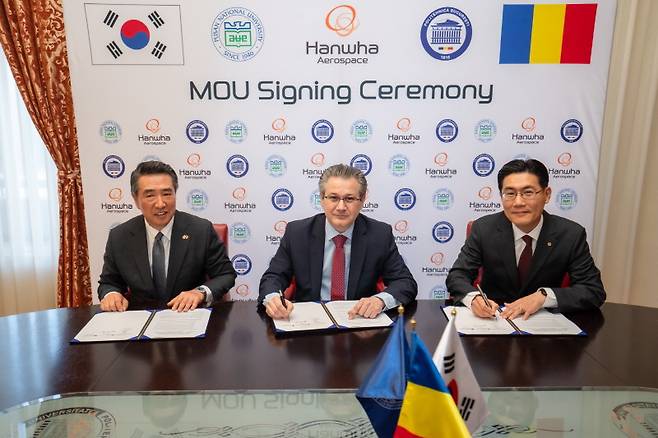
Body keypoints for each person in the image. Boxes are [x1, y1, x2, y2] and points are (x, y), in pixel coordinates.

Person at [446, 159, 605, 320]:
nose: (518, 202)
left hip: (545, 324)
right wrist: (474, 299)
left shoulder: (570, 234)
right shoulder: (483, 229)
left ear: (547, 195)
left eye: (528, 193)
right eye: (510, 193)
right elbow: (457, 276)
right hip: (495, 321)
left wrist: (544, 297)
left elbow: (593, 290)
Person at [259, 164, 418, 319]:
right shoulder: (297, 233)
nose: (341, 207)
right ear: (322, 198)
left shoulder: (379, 234)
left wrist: (379, 301)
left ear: (362, 199)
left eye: (349, 198)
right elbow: (273, 277)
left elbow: (405, 282)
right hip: (309, 323)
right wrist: (273, 299)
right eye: (333, 198)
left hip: (359, 320)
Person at [98, 161, 236, 312]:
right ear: (136, 199)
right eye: (150, 195)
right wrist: (111, 294)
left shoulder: (201, 230)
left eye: (167, 194)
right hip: (140, 317)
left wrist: (200, 292)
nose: (160, 204)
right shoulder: (119, 236)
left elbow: (225, 274)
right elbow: (109, 282)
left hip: (188, 315)